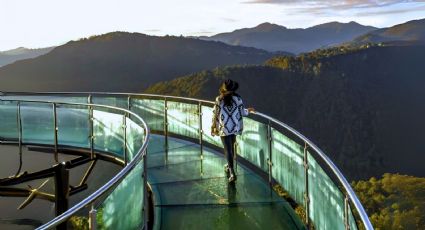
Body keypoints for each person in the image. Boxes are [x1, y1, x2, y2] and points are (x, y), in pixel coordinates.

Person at [211, 79, 254, 183]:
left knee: (227, 149)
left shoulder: (219, 99)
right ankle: (229, 166)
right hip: (234, 127)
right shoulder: (238, 99)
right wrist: (249, 110)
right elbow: (242, 112)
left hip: (223, 127)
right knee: (232, 147)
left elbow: (215, 113)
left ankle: (231, 172)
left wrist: (213, 127)